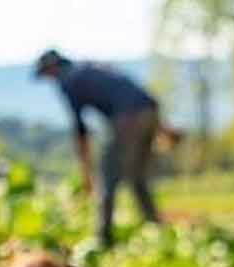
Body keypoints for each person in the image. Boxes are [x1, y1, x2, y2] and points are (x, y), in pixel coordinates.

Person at [35, 49, 166, 248]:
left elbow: (80, 130)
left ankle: (104, 239)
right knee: (137, 176)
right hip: (151, 111)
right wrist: (163, 127)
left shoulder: (68, 80)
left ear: (52, 68)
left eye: (46, 75)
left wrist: (86, 172)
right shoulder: (89, 66)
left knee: (106, 177)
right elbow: (133, 92)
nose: (48, 80)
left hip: (128, 118)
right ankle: (156, 229)